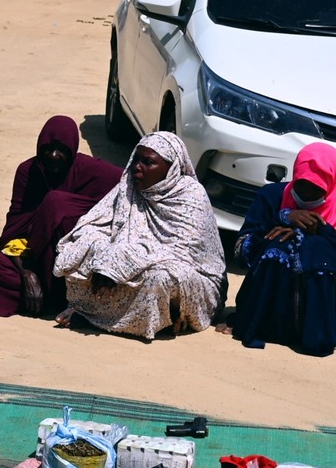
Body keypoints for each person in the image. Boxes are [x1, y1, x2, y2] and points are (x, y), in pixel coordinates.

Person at [53, 132, 226, 340]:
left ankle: (110, 318)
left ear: (171, 168)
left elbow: (180, 252)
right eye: (136, 159)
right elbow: (94, 224)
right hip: (128, 259)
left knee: (160, 278)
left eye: (148, 162)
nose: (137, 167)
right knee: (84, 252)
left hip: (188, 273)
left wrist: (121, 261)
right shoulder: (128, 188)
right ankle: (96, 313)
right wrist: (104, 253)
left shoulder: (191, 196)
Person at [0, 115, 120, 318]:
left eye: (61, 151)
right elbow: (14, 228)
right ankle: (42, 296)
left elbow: (131, 182)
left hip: (72, 266)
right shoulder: (28, 172)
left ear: (72, 150)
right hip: (31, 258)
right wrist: (26, 274)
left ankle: (64, 299)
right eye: (48, 149)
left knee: (56, 203)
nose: (54, 156)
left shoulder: (90, 170)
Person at [230, 142, 336, 356]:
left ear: (331, 185)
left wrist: (322, 231)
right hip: (269, 306)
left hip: (322, 316)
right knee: (278, 244)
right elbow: (241, 250)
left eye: (317, 190)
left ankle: (322, 331)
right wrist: (283, 217)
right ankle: (258, 321)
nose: (306, 195)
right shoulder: (271, 196)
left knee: (318, 252)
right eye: (301, 186)